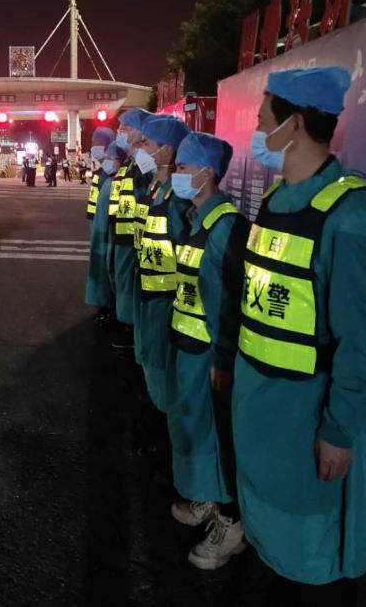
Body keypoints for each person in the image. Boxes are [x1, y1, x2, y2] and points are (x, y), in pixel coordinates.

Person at [233, 67, 366, 605]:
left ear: (295, 124)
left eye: (263, 122)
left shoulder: (352, 214)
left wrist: (340, 430)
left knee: (316, 558)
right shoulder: (277, 200)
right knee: (277, 544)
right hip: (262, 414)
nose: (257, 133)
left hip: (308, 421)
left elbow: (365, 341)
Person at [167, 131, 249, 570]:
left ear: (207, 172)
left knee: (220, 437)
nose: (176, 174)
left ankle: (231, 523)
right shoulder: (197, 218)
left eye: (183, 167)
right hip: (191, 346)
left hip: (211, 355)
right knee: (198, 430)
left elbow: (231, 303)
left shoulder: (226, 226)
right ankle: (207, 497)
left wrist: (223, 358)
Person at [130, 115, 191, 412]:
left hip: (167, 297)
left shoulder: (178, 199)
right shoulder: (157, 187)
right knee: (151, 354)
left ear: (167, 150)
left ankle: (162, 414)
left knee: (163, 360)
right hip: (150, 287)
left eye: (146, 143)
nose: (140, 149)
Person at [108, 108, 153, 347]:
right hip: (126, 235)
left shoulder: (144, 166)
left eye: (125, 128)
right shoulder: (132, 164)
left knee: (133, 285)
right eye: (119, 128)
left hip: (137, 240)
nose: (120, 132)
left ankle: (131, 329)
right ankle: (127, 324)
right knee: (125, 282)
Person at [85, 137, 125, 325]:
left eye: (111, 158)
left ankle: (115, 312)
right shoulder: (106, 178)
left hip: (113, 235)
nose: (107, 160)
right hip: (102, 231)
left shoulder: (118, 182)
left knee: (113, 272)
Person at [86, 128, 115, 222]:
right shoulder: (101, 172)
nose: (93, 147)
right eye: (93, 143)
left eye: (98, 143)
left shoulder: (112, 174)